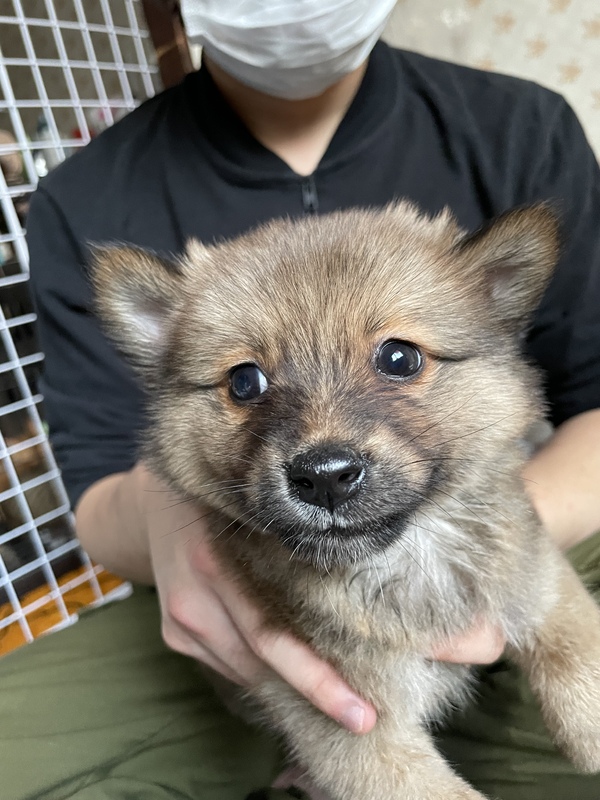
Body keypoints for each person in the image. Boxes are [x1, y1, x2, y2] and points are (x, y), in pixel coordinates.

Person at [2, 1, 600, 798]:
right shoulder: (85, 193)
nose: (323, 442)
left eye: (398, 360)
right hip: (216, 603)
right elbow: (95, 488)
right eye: (244, 383)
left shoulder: (518, 126)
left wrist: (521, 565)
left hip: (547, 510)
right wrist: (164, 519)